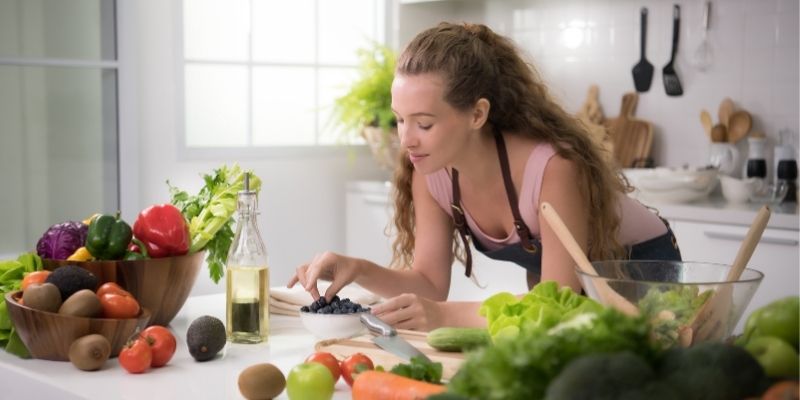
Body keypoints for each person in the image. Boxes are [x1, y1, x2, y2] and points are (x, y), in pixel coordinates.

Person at [288, 22, 681, 331]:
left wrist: (444, 316)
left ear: (477, 114)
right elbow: (429, 282)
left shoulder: (552, 168)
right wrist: (360, 269)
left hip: (641, 274)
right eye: (400, 119)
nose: (406, 139)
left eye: (423, 123)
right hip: (567, 298)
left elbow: (555, 300)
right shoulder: (430, 171)